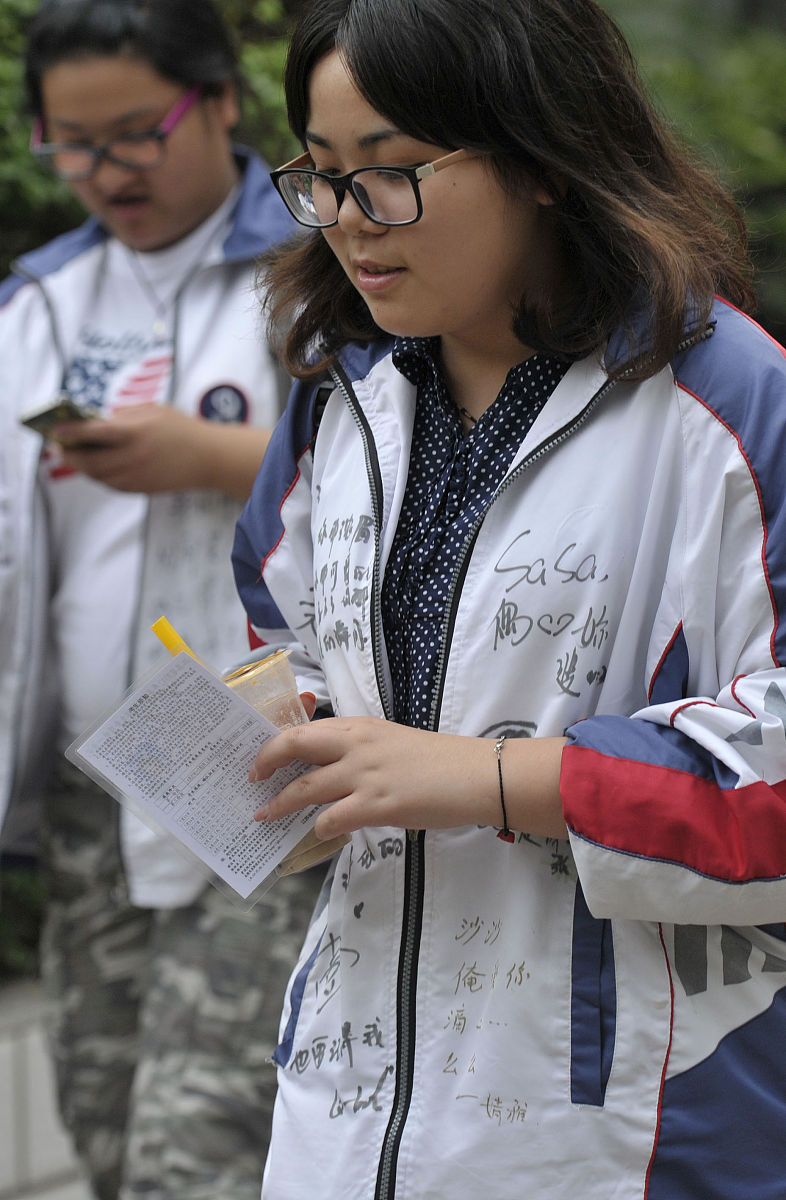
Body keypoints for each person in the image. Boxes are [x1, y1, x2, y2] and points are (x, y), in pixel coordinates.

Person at [231, 0, 786, 1196]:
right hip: (344, 1118)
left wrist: (488, 778)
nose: (348, 219)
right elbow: (282, 643)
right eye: (321, 176)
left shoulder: (731, 406)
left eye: (390, 173)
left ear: (542, 157)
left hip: (625, 1130)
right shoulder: (338, 407)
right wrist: (280, 752)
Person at [0, 2, 325, 1198]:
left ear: (221, 101)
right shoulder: (40, 302)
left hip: (258, 763)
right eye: (73, 144)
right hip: (95, 780)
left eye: (137, 132)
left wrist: (218, 458)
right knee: (99, 1121)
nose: (106, 171)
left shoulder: (319, 268)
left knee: (199, 1153)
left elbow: (404, 473)